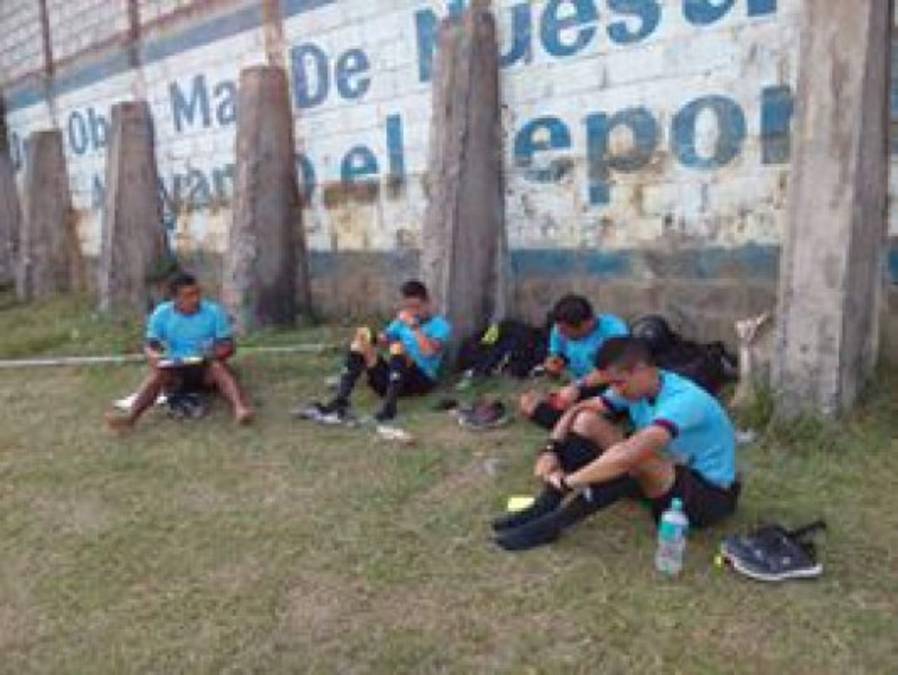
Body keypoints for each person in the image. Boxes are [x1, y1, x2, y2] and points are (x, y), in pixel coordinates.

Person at [494, 336, 739, 551]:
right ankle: (545, 505)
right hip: (662, 477)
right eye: (610, 383)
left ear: (642, 370)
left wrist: (569, 482)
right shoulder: (637, 388)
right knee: (587, 422)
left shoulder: (684, 400)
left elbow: (630, 454)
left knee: (635, 456)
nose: (615, 390)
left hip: (707, 498)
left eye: (619, 383)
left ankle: (552, 524)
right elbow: (579, 409)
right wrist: (551, 450)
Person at [105, 272, 254, 431]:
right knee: (158, 374)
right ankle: (130, 417)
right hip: (175, 371)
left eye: (197, 293)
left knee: (217, 367)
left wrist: (213, 353)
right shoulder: (161, 314)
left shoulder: (214, 312)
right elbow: (150, 345)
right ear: (174, 298)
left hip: (205, 370)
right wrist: (154, 356)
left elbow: (229, 346)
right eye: (189, 296)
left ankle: (240, 409)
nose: (195, 299)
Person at [299, 280, 452, 423]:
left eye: (416, 307)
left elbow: (429, 352)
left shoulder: (441, 325)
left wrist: (414, 327)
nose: (413, 312)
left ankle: (389, 407)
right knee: (360, 344)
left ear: (427, 303)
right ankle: (341, 399)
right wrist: (370, 335)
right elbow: (384, 340)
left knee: (398, 347)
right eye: (408, 308)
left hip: (421, 380)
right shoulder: (401, 321)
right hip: (393, 379)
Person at [519, 294, 628, 429]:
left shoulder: (613, 330)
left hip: (609, 385)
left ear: (585, 324)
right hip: (580, 387)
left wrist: (577, 386)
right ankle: (576, 420)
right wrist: (553, 365)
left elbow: (613, 370)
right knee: (527, 401)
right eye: (560, 330)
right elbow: (556, 356)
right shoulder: (559, 330)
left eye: (565, 331)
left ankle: (580, 421)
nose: (561, 334)